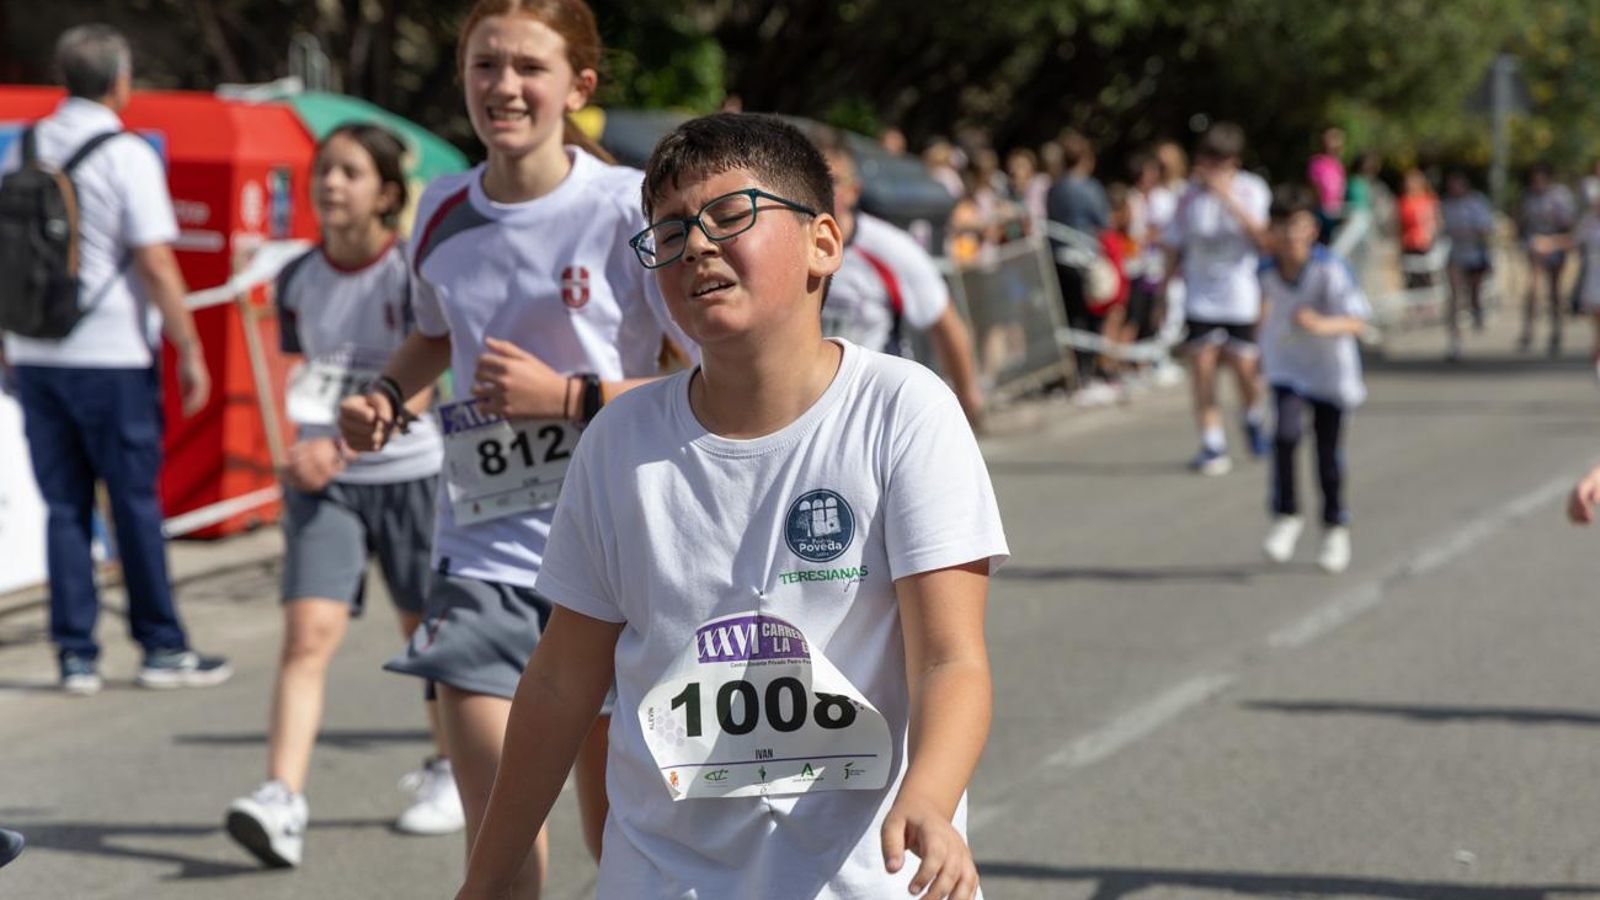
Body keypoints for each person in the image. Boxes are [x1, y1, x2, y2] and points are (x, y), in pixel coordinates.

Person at [456, 111, 1007, 900]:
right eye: (670, 232)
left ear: (823, 242)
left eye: (729, 215)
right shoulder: (618, 441)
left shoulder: (901, 410)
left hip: (864, 879)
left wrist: (930, 799)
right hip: (662, 879)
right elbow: (559, 684)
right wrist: (484, 880)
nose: (697, 246)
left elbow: (950, 659)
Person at [337, 0, 693, 893]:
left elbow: (710, 376)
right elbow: (433, 334)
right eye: (485, 65)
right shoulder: (441, 207)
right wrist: (385, 396)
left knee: (620, 842)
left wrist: (566, 397)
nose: (504, 86)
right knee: (498, 836)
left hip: (615, 556)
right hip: (482, 552)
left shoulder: (625, 206)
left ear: (577, 86)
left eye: (530, 67)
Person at [223, 124, 459, 870]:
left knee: (427, 636)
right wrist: (307, 450)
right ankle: (281, 798)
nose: (330, 183)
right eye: (323, 170)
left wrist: (345, 444)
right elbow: (307, 376)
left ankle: (450, 768)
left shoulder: (410, 270)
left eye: (349, 172)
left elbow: (425, 384)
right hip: (326, 484)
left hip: (412, 474)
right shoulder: (297, 276)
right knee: (307, 634)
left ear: (385, 193)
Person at [0, 24, 228, 694]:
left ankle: (76, 655)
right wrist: (189, 347)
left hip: (35, 351)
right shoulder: (126, 154)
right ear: (121, 82)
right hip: (112, 355)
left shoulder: (25, 147)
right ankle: (161, 646)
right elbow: (155, 261)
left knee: (64, 504)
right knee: (131, 502)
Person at [814, 138, 985, 427]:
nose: (821, 190)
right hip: (811, 408)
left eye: (833, 181)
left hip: (874, 410)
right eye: (813, 179)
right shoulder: (786, 249)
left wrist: (968, 401)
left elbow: (946, 324)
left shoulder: (890, 248)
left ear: (854, 191)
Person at [1258, 187, 1370, 574]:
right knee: (1285, 435)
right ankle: (1287, 514)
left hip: (1329, 371)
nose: (1290, 235)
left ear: (1311, 229)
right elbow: (1260, 312)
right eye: (1282, 226)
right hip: (1288, 367)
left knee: (1327, 456)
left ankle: (1335, 526)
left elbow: (1357, 321)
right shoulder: (1265, 270)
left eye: (1298, 226)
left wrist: (1321, 324)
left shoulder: (1330, 269)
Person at [1163, 122, 1272, 475]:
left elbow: (1263, 239)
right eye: (1205, 160)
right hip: (1200, 296)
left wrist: (1227, 197)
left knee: (1244, 370)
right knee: (1203, 368)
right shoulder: (1188, 197)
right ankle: (1212, 442)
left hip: (1239, 296)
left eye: (1217, 161)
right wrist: (1164, 293)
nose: (1208, 168)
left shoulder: (1252, 189)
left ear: (1233, 162)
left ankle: (1252, 415)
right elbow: (1173, 245)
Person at [1530, 188, 1600, 379]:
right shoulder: (1590, 222)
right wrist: (1549, 243)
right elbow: (1572, 240)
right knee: (1597, 320)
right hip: (1595, 276)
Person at [1517, 164, 1577, 356]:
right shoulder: (1529, 197)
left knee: (1554, 290)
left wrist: (1553, 241)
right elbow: (1522, 222)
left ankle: (1556, 331)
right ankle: (1528, 330)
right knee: (1533, 289)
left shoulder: (1560, 196)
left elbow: (1569, 224)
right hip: (1535, 244)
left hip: (1555, 243)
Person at [1440, 171, 1496, 361]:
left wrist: (1470, 231)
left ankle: (1477, 310)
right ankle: (1455, 342)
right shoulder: (1447, 205)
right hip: (1457, 255)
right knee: (1455, 298)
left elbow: (1486, 228)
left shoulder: (1476, 202)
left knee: (1474, 293)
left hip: (1475, 254)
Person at [1397, 168, 1440, 288]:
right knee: (1412, 279)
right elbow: (1399, 224)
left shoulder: (1428, 199)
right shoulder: (1403, 202)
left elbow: (1434, 220)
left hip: (1425, 243)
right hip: (1409, 244)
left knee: (1426, 277)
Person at [1307, 126, 1346, 240]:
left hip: (1337, 209)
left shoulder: (1338, 165)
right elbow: (1314, 188)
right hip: (1322, 210)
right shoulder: (1317, 163)